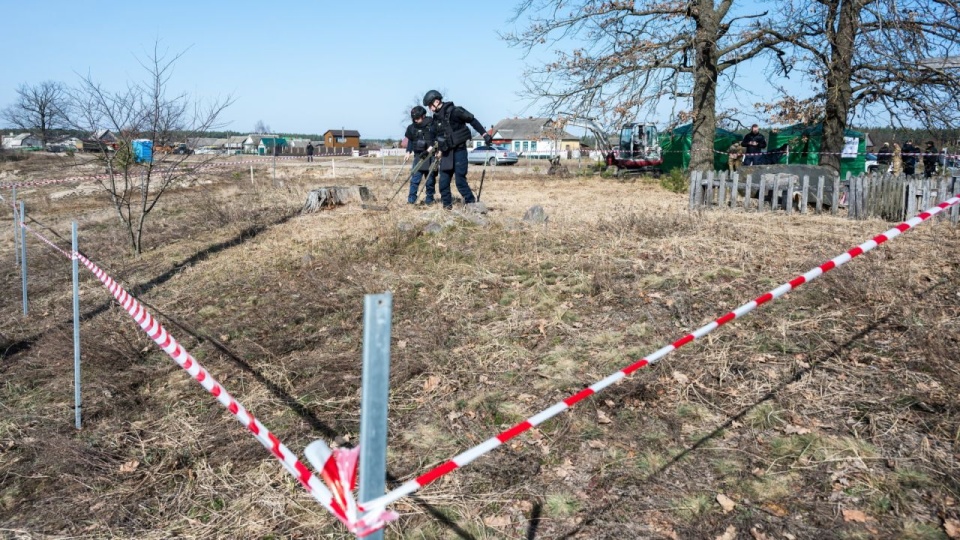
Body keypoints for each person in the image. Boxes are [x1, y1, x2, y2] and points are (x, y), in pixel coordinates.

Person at [423, 89, 492, 209]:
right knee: (443, 183)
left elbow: (472, 120)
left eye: (430, 105)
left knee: (460, 181)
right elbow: (432, 136)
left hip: (459, 151)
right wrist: (429, 150)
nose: (429, 108)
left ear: (437, 101)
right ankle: (447, 208)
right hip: (446, 154)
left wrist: (485, 134)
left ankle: (472, 205)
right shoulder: (436, 119)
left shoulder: (455, 111)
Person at [404, 106, 438, 205]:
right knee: (415, 180)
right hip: (418, 156)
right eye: (414, 118)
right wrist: (408, 151)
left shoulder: (432, 125)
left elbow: (437, 139)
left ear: (423, 116)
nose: (416, 120)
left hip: (430, 156)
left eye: (418, 118)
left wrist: (436, 150)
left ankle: (429, 200)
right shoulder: (411, 127)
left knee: (430, 180)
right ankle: (411, 201)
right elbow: (410, 140)